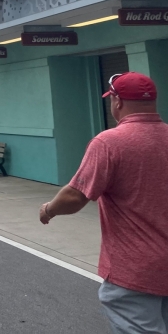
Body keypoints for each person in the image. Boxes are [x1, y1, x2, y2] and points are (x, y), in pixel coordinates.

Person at [39, 72, 168, 332]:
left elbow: (76, 196)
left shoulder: (109, 143)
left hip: (136, 269)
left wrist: (48, 210)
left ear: (117, 102)